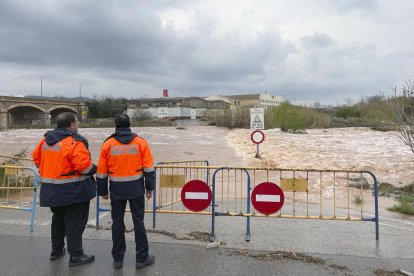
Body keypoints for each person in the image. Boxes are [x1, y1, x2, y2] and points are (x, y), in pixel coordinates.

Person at [32, 112, 97, 267]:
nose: (78, 125)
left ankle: (56, 251)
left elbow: (36, 159)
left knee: (58, 220)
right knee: (74, 223)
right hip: (74, 191)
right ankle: (76, 256)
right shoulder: (74, 142)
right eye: (77, 123)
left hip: (51, 191)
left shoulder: (45, 141)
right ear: (71, 125)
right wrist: (95, 168)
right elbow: (84, 167)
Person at [96, 114, 155, 269]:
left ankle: (118, 259)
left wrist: (103, 191)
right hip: (136, 189)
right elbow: (148, 168)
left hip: (116, 190)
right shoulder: (140, 142)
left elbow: (101, 171)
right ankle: (142, 258)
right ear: (130, 125)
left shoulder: (108, 144)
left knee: (117, 222)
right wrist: (149, 188)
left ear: (115, 126)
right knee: (138, 221)